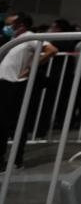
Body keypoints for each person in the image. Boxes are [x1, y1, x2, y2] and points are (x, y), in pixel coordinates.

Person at [0, 12, 57, 168]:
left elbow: (51, 50)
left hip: (15, 84)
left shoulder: (30, 37)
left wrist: (30, 68)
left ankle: (16, 160)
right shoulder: (15, 40)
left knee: (14, 122)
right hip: (5, 83)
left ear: (21, 25)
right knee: (2, 123)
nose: (7, 27)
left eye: (10, 24)